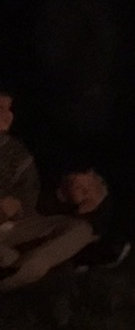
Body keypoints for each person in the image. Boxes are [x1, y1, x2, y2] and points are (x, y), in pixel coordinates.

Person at [34, 0, 125, 160]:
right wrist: (75, 85)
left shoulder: (107, 0)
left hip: (96, 103)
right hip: (66, 99)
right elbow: (55, 48)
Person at [0, 88, 96, 292]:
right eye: (0, 108)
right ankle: (15, 271)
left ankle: (24, 268)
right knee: (8, 257)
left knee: (80, 230)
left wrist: (17, 206)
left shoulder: (17, 153)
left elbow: (29, 194)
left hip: (12, 226)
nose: (6, 115)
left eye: (9, 109)